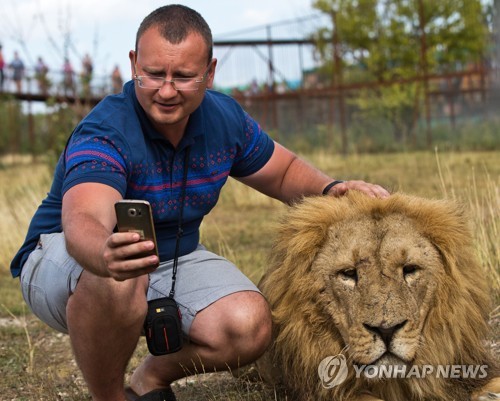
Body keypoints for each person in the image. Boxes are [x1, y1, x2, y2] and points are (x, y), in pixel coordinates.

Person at [11, 5, 389, 401]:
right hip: (66, 258)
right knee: (119, 279)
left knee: (249, 325)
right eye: (154, 73)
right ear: (134, 63)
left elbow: (281, 172)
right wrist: (104, 252)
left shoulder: (225, 118)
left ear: (209, 73)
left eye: (184, 77)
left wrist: (332, 189)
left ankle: (150, 379)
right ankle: (111, 397)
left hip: (171, 257)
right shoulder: (104, 131)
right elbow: (84, 218)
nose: (167, 90)